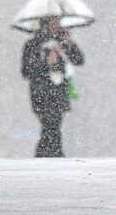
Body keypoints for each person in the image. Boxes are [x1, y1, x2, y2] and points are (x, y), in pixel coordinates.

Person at [21, 17, 84, 157]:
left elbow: (79, 59)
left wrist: (69, 43)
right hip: (41, 93)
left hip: (59, 92)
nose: (57, 25)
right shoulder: (33, 44)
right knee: (50, 125)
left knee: (54, 125)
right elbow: (26, 71)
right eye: (54, 22)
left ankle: (49, 155)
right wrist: (46, 63)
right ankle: (52, 155)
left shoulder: (62, 42)